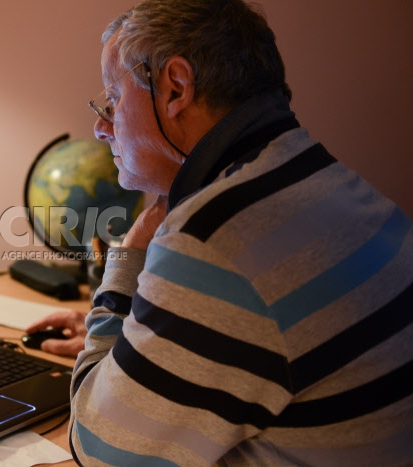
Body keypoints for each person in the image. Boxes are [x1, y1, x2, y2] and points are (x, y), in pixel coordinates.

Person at [41, 1, 413, 466]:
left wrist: (130, 254)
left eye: (113, 99)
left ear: (175, 88)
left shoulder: (212, 238)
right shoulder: (320, 178)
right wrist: (142, 332)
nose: (101, 127)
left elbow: (98, 447)